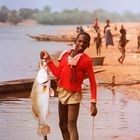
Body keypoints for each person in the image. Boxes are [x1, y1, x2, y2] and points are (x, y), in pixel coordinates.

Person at [40, 32, 97, 140]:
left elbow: (93, 83)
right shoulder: (65, 55)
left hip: (74, 95)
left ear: (88, 45)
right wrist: (48, 59)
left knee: (71, 125)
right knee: (62, 124)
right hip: (62, 92)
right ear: (75, 41)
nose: (81, 44)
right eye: (79, 41)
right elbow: (57, 74)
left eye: (85, 42)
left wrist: (93, 103)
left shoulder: (87, 61)